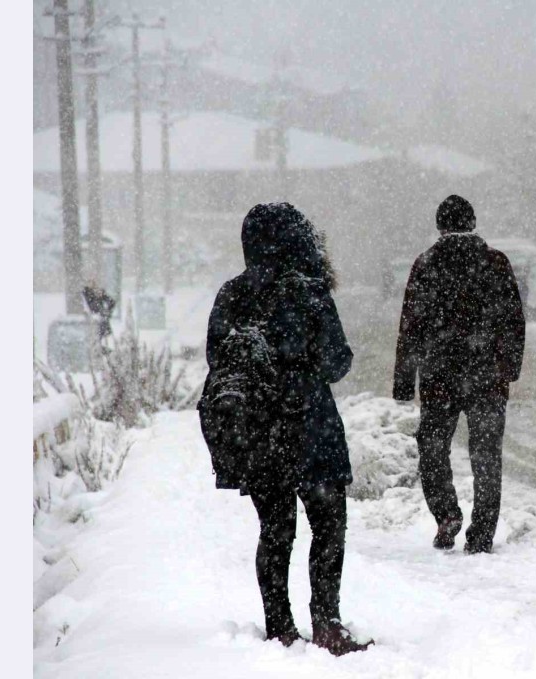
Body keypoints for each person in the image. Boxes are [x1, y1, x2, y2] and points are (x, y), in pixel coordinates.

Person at [199, 202, 372, 656]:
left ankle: (279, 627)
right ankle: (328, 624)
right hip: (311, 430)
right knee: (328, 526)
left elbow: (217, 359)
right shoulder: (310, 292)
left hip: (256, 436)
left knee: (275, 531)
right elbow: (337, 362)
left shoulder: (231, 294)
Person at [393, 195, 526, 555]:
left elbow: (411, 326)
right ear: (472, 223)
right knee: (486, 455)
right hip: (487, 377)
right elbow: (513, 320)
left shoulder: (426, 264)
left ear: (440, 226)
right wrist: (508, 367)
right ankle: (482, 533)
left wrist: (405, 381)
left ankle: (446, 514)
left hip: (440, 377)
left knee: (433, 449)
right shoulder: (496, 263)